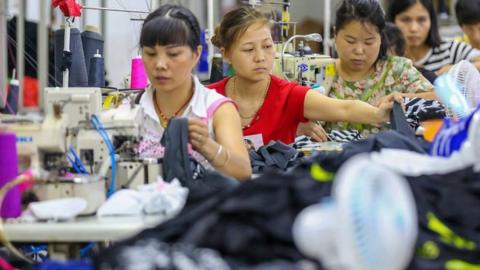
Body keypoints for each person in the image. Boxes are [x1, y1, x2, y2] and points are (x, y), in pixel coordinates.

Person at [208, 3, 403, 147]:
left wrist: (378, 113)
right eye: (248, 49)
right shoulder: (208, 98)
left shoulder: (288, 96)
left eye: (268, 46)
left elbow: (344, 108)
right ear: (226, 54)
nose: (260, 57)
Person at [137, 5, 251, 181]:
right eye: (150, 54)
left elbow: (243, 172)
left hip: (202, 206)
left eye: (173, 54)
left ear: (196, 54)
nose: (160, 64)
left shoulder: (218, 110)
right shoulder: (132, 110)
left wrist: (208, 146)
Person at [325, 0, 435, 136]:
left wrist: (403, 97)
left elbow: (440, 99)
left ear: (381, 38)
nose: (359, 50)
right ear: (335, 34)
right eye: (350, 41)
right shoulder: (320, 72)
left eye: (368, 42)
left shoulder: (397, 70)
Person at [389, 0, 480, 75]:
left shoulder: (450, 49)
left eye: (421, 20)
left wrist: (457, 69)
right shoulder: (385, 56)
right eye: (406, 20)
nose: (414, 29)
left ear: (431, 21)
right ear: (392, 21)